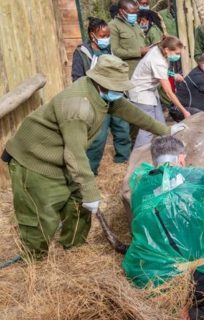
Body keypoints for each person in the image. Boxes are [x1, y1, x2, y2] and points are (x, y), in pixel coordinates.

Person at [2, 55, 183, 260]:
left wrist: (164, 129)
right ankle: (35, 259)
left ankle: (74, 249)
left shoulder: (103, 94)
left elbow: (131, 112)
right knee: (41, 213)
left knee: (77, 204)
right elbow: (75, 154)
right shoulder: (78, 106)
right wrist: (90, 192)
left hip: (61, 157)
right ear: (101, 83)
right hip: (35, 159)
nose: (120, 91)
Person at [122, 136, 204, 320]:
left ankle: (173, 307)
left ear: (154, 161)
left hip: (141, 270)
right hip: (178, 271)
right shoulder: (192, 176)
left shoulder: (139, 185)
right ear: (181, 158)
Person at [71, 17, 132, 175]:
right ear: (92, 34)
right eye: (103, 36)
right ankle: (91, 170)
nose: (106, 39)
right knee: (98, 136)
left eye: (108, 36)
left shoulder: (108, 49)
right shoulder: (81, 53)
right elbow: (77, 77)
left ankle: (122, 159)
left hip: (115, 96)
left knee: (122, 129)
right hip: (96, 100)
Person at [128, 36, 190, 148]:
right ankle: (138, 159)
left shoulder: (159, 49)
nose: (178, 56)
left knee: (160, 125)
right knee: (147, 128)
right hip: (141, 92)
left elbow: (158, 71)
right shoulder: (157, 61)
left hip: (150, 91)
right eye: (176, 53)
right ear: (167, 50)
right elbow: (169, 92)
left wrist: (173, 75)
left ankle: (165, 151)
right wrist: (184, 111)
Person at [109, 0, 148, 78]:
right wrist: (138, 52)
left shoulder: (135, 24)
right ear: (121, 11)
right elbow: (115, 51)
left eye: (136, 13)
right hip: (129, 73)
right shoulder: (113, 26)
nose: (134, 15)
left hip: (143, 69)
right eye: (131, 13)